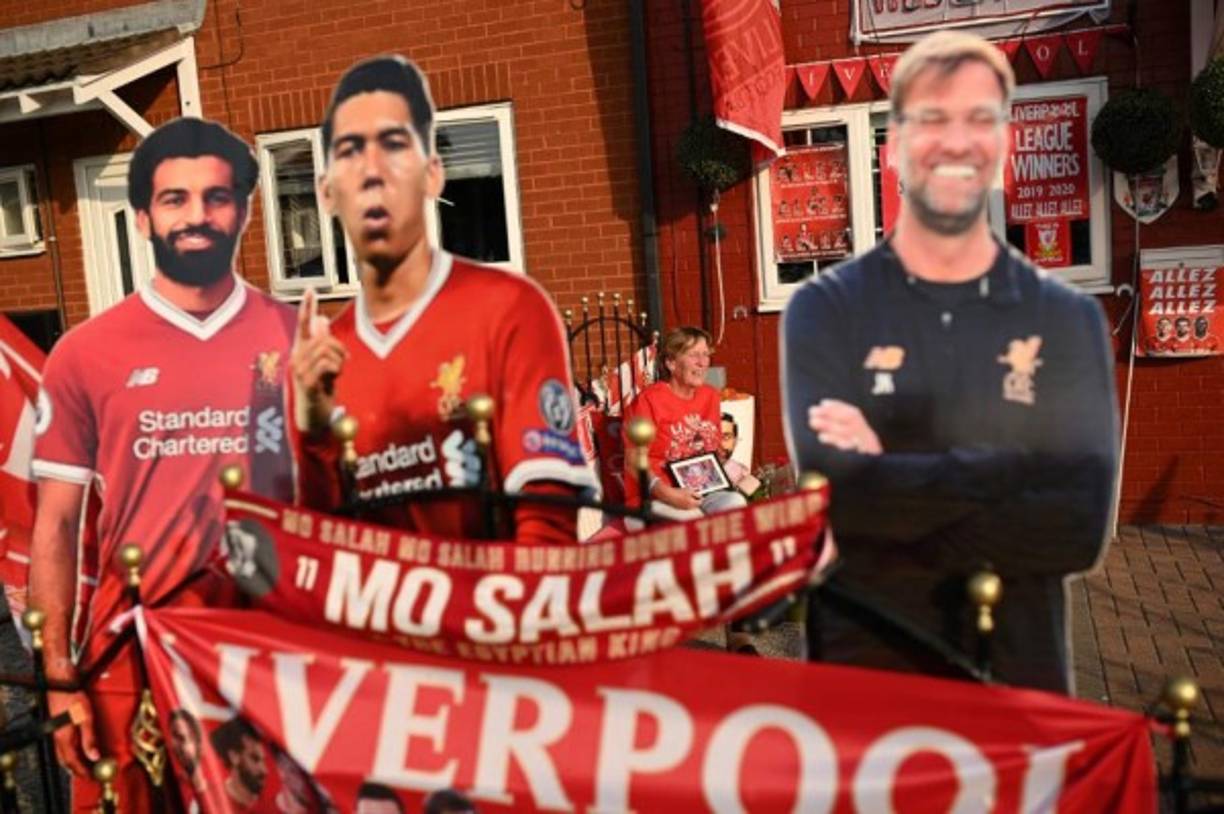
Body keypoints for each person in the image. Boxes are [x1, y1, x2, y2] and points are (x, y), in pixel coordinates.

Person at [781, 30, 1118, 693]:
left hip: (1016, 667)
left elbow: (1078, 525)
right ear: (898, 148)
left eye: (979, 121)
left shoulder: (1066, 321)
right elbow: (841, 503)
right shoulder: (826, 310)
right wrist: (1005, 468)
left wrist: (894, 482)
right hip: (870, 663)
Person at [28, 117, 297, 809]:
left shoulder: (298, 338)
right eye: (174, 199)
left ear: (244, 209)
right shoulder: (84, 353)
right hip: (132, 650)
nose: (196, 216)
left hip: (271, 645)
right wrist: (60, 677)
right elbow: (53, 528)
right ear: (143, 217)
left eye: (216, 197)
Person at [291, 55, 596, 543]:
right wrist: (313, 427)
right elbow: (323, 551)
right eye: (349, 151)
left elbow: (547, 512)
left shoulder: (509, 308)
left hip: (491, 611)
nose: (372, 172)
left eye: (392, 146)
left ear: (432, 174)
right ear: (326, 192)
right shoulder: (327, 359)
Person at [621, 326, 746, 520]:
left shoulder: (710, 395)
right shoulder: (648, 401)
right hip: (654, 496)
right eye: (693, 355)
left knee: (736, 504)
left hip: (703, 490)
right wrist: (667, 494)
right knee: (691, 520)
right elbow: (632, 461)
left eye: (705, 355)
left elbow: (708, 450)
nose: (702, 363)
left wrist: (731, 470)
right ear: (671, 363)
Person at [210, 716, 268, 808]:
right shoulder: (212, 803)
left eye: (263, 760)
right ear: (234, 757)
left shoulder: (274, 803)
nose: (264, 770)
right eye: (254, 759)